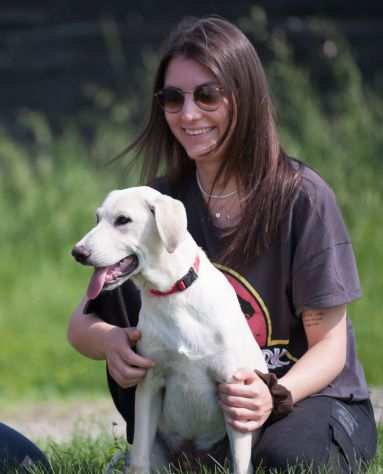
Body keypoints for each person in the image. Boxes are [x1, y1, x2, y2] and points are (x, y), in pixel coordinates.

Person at [67, 16, 377, 473]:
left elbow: (331, 350)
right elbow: (82, 323)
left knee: (285, 458)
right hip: (205, 408)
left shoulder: (302, 198)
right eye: (173, 98)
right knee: (132, 310)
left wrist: (275, 393)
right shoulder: (157, 205)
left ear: (245, 98)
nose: (188, 114)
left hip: (308, 396)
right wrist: (111, 342)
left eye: (207, 95)